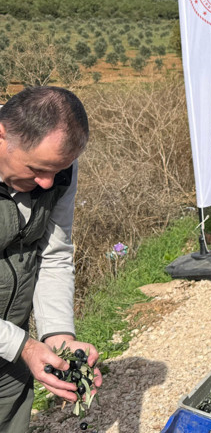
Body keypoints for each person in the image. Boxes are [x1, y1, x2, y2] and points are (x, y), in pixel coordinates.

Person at [0, 86, 102, 432]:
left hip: (10, 360)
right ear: (3, 136)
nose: (47, 183)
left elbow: (53, 254)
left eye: (56, 171)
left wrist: (58, 337)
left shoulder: (58, 172)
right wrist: (22, 346)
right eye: (36, 169)